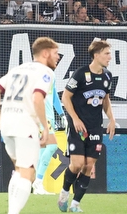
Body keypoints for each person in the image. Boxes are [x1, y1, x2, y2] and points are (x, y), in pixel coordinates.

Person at [0, 36, 60, 214]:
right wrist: (44, 126)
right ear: (45, 53)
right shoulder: (45, 72)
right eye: (56, 53)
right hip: (25, 123)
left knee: (20, 170)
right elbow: (37, 98)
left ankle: (12, 210)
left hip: (8, 123)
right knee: (27, 173)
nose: (58, 57)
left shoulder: (18, 69)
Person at [58, 40, 118, 212]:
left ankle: (75, 204)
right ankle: (63, 193)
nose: (109, 57)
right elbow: (65, 97)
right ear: (96, 55)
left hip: (95, 127)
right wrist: (75, 119)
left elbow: (105, 99)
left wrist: (111, 119)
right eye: (107, 54)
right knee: (76, 164)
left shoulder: (107, 76)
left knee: (88, 165)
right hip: (78, 127)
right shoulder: (80, 74)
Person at [32, 75, 64, 194]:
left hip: (49, 117)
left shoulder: (52, 75)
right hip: (42, 117)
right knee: (52, 146)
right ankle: (38, 181)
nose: (57, 56)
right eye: (54, 54)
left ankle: (37, 186)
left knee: (43, 149)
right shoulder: (37, 73)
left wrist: (61, 114)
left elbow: (54, 96)